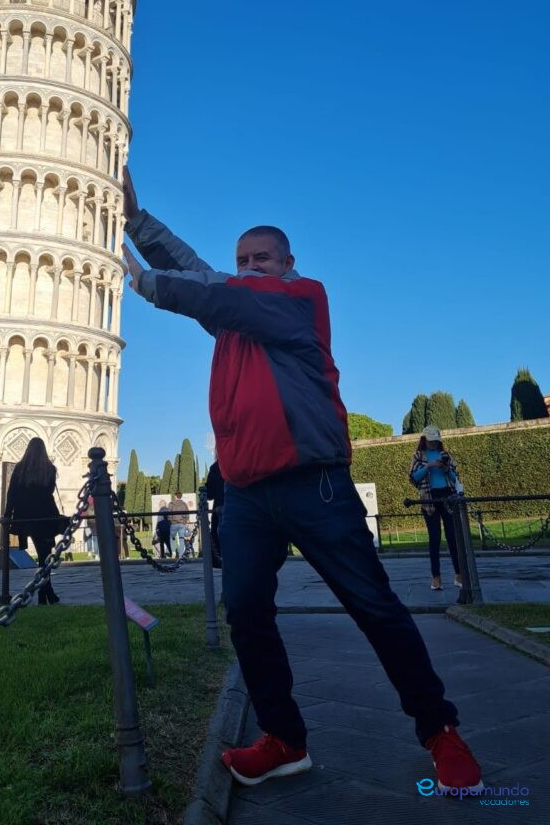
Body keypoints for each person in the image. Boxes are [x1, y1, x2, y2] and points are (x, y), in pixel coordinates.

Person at [120, 166, 482, 795]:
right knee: (246, 613)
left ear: (288, 263)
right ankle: (284, 740)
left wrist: (147, 283)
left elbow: (218, 290)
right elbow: (209, 277)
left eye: (263, 257)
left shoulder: (301, 300)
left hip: (313, 486)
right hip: (247, 496)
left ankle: (440, 731)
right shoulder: (235, 309)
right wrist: (135, 220)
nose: (251, 265)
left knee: (375, 608)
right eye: (243, 259)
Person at [4, 437, 63, 604]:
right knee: (45, 555)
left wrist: (8, 515)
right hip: (45, 516)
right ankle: (46, 593)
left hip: (26, 517)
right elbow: (50, 491)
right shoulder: (49, 469)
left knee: (43, 556)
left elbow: (12, 494)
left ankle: (46, 594)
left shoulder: (20, 469)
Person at [410, 426, 463, 591]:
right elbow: (413, 478)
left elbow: (455, 478)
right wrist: (428, 466)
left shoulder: (446, 455)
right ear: (424, 439)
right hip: (429, 498)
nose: (433, 444)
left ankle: (459, 574)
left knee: (453, 537)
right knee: (434, 538)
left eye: (436, 441)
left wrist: (446, 469)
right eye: (431, 440)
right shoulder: (418, 456)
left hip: (447, 496)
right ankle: (436, 577)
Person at [205, 461, 225, 569]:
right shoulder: (240, 459)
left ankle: (219, 561)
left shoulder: (215, 467)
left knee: (218, 534)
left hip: (220, 505)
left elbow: (209, 493)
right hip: (239, 504)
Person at [168, 491, 190, 558]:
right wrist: (184, 521)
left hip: (173, 523)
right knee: (181, 539)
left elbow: (169, 514)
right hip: (181, 524)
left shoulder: (171, 504)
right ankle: (180, 555)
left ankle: (173, 552)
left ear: (175, 496)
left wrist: (171, 520)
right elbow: (187, 515)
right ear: (181, 496)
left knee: (171, 538)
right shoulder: (184, 504)